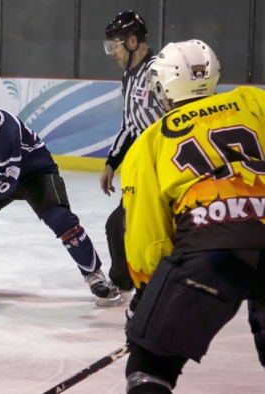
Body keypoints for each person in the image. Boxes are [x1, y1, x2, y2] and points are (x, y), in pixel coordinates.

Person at [121, 39, 265, 393]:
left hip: (211, 250)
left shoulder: (150, 141)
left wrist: (148, 292)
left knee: (150, 365)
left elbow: (147, 237)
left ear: (161, 88)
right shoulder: (256, 100)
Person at [0, 88, 119, 303]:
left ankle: (94, 275)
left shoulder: (7, 131)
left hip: (36, 175)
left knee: (62, 220)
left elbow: (9, 180)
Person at [100, 10, 166, 301]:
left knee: (132, 226)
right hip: (144, 170)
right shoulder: (128, 76)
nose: (111, 51)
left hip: (166, 168)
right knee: (119, 224)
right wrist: (111, 163)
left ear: (132, 40)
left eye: (114, 44)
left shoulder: (161, 71)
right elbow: (130, 125)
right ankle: (129, 282)